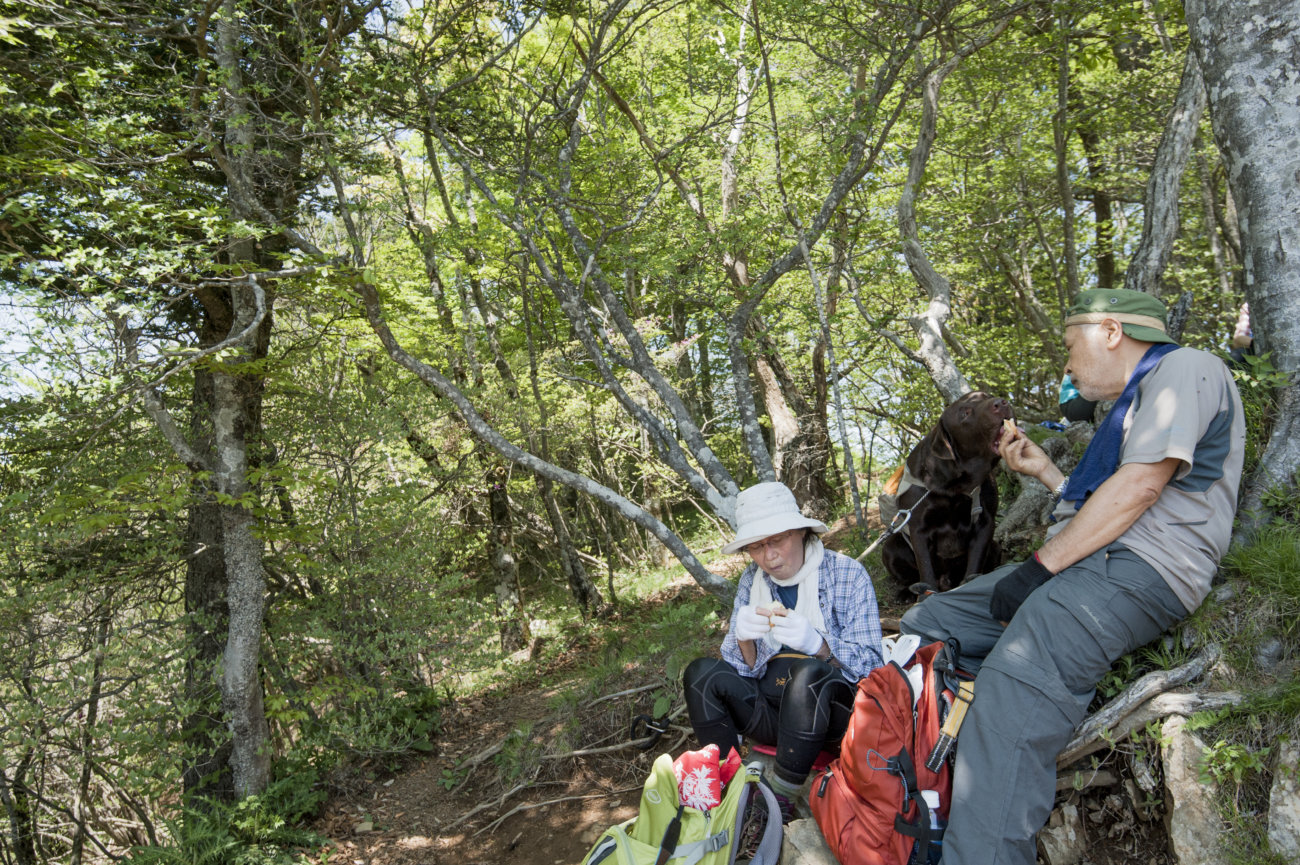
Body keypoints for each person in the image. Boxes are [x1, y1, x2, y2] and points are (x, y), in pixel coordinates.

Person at [899, 288, 1245, 865]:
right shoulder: (1134, 404)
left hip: (1142, 571)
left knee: (1012, 688)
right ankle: (943, 749)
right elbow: (1113, 502)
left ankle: (988, 812)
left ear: (1111, 332)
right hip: (1096, 557)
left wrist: (1039, 567)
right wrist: (1047, 473)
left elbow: (1139, 490)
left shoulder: (1187, 367)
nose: (1065, 363)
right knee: (927, 620)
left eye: (1068, 346)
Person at [683, 482, 883, 821]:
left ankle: (779, 801)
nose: (768, 556)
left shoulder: (847, 574)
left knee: (808, 674)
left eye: (776, 540)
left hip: (831, 719)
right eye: (756, 547)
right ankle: (725, 785)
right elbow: (743, 670)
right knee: (701, 674)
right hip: (773, 713)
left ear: (800, 532)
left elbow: (874, 669)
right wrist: (743, 637)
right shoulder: (752, 581)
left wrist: (819, 645)